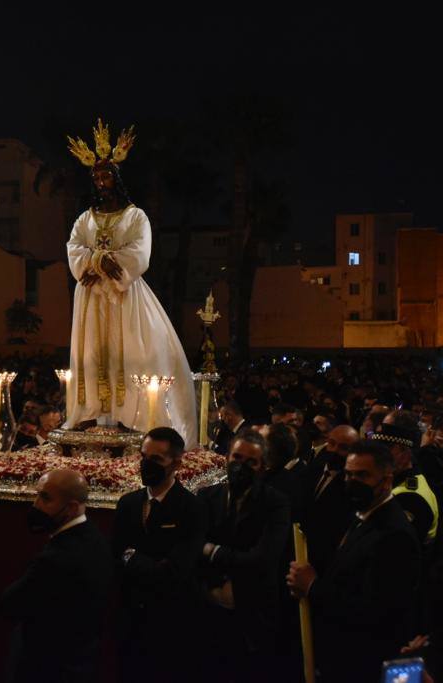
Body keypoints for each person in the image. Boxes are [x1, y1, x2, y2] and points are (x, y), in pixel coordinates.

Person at [63, 121, 197, 447]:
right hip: (92, 294)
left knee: (135, 351)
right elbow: (74, 248)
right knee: (92, 351)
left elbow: (140, 251)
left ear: (116, 178)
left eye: (106, 175)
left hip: (123, 293)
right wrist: (94, 262)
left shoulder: (135, 216)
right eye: (96, 177)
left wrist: (106, 265)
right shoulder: (85, 218)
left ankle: (132, 414)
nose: (101, 181)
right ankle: (91, 410)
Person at [287, 439, 421, 683]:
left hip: (361, 662)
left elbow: (374, 611)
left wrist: (313, 587)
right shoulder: (360, 514)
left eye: (363, 475)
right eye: (348, 475)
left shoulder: (395, 535)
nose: (352, 483)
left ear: (387, 480)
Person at [112, 426, 207, 683]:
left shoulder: (192, 508)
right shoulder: (128, 504)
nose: (146, 464)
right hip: (129, 619)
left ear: (176, 463)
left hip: (170, 622)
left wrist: (131, 557)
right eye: (143, 457)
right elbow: (113, 555)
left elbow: (175, 570)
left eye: (156, 460)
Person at [0, 469, 112, 683]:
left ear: (70, 507)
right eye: (38, 494)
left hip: (49, 665)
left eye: (45, 498)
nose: (36, 504)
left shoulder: (56, 559)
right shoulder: (95, 536)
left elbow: (9, 603)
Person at [197, 430, 291, 680]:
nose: (241, 466)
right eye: (236, 457)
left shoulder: (276, 504)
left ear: (262, 466)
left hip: (252, 613)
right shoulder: (207, 497)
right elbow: (193, 547)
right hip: (208, 608)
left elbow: (263, 559)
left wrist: (212, 550)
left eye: (251, 462)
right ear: (226, 457)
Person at [302, 424, 357, 573]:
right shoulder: (314, 467)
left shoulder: (351, 486)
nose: (334, 450)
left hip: (325, 560)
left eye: (343, 447)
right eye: (332, 443)